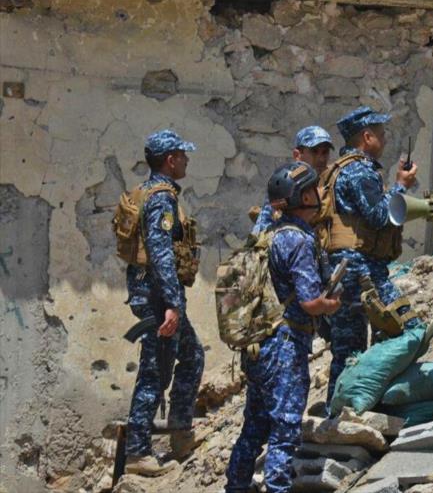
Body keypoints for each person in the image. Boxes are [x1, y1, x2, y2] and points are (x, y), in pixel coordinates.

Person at [225, 163, 341, 493]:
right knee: (285, 429)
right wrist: (331, 304)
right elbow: (309, 302)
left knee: (255, 427)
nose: (321, 194)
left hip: (259, 346)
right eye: (316, 189)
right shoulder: (300, 241)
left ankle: (235, 486)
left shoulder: (269, 236)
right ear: (303, 196)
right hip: (285, 347)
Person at [320, 106, 420, 407]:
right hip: (362, 270)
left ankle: (336, 412)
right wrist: (401, 185)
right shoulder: (360, 170)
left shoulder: (339, 169)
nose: (385, 140)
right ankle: (387, 403)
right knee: (409, 329)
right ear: (367, 137)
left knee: (347, 349)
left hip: (345, 270)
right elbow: (379, 216)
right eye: (381, 134)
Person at [124, 130, 205, 476]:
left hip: (154, 294)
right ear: (170, 160)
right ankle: (137, 453)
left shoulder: (152, 192)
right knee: (155, 370)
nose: (187, 160)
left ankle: (180, 431)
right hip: (158, 297)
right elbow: (160, 255)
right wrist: (172, 303)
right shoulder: (161, 199)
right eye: (183, 155)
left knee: (190, 355)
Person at [251, 126, 335, 235]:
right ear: (297, 155)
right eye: (314, 152)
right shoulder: (287, 186)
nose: (321, 159)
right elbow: (263, 228)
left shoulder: (332, 182)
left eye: (325, 152)